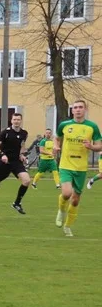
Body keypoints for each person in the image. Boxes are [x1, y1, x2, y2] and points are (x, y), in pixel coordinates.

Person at [56, 99, 102, 237]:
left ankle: (68, 226)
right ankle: (61, 211)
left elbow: (99, 145)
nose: (77, 109)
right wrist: (55, 146)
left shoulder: (92, 127)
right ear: (72, 110)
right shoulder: (64, 124)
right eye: (75, 107)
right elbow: (57, 138)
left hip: (81, 168)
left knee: (75, 200)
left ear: (85, 109)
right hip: (66, 165)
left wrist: (91, 147)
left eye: (80, 107)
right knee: (66, 193)